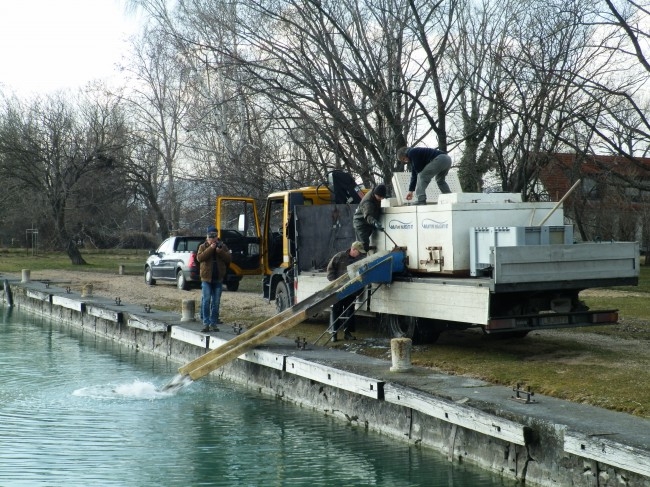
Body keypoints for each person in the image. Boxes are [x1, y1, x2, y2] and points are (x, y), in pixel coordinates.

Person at [326, 241, 366, 341]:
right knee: (336, 310)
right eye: (359, 251)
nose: (360, 254)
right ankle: (333, 334)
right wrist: (334, 282)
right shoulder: (339, 256)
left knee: (349, 311)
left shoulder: (360, 259)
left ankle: (347, 333)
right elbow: (330, 270)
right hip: (339, 289)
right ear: (353, 249)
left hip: (351, 289)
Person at [197, 225, 232, 332]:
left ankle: (213, 322)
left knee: (216, 302)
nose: (212, 238)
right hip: (206, 278)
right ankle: (206, 322)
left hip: (218, 278)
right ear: (207, 237)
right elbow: (199, 258)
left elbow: (229, 258)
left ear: (217, 237)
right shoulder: (203, 246)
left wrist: (219, 251)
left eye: (214, 236)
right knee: (206, 300)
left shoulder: (222, 246)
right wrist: (210, 249)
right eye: (210, 236)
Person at [353, 184, 386, 251]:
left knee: (364, 246)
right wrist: (375, 223)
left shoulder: (376, 192)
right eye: (379, 197)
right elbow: (368, 216)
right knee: (362, 247)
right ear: (375, 194)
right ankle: (359, 260)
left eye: (382, 197)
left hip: (367, 224)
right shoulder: (368, 202)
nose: (381, 199)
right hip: (361, 224)